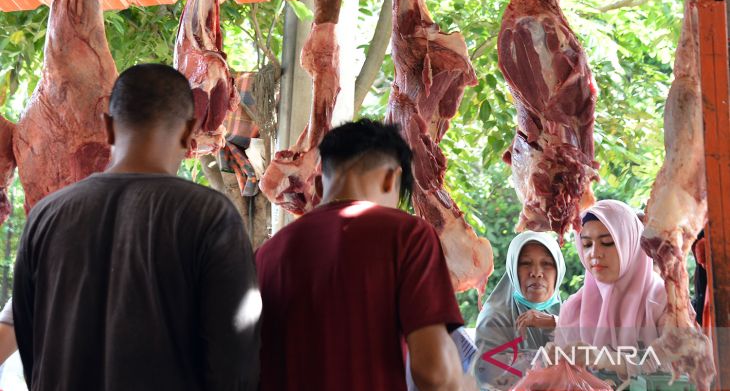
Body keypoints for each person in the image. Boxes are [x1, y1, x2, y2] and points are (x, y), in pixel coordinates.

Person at [13, 64, 260, 391]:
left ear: (108, 127)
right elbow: (234, 360)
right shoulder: (209, 216)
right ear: (188, 133)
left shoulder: (45, 216)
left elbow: (33, 351)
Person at [256, 119, 464, 391]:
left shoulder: (266, 254)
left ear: (319, 184)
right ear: (392, 178)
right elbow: (435, 374)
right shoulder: (407, 235)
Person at [555, 199, 667, 375]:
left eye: (607, 242)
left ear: (631, 243)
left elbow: (682, 366)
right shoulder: (573, 309)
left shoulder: (664, 300)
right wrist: (552, 362)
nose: (594, 253)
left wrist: (611, 360)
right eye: (586, 244)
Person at [473, 231, 565, 388]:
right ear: (513, 269)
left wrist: (556, 323)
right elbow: (492, 380)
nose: (536, 273)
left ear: (559, 270)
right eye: (525, 263)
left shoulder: (566, 312)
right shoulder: (495, 319)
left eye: (547, 264)